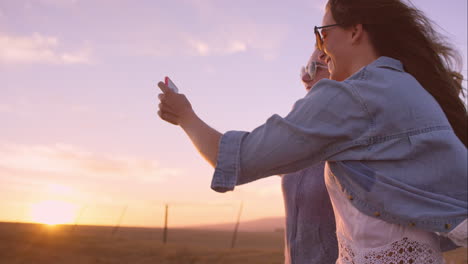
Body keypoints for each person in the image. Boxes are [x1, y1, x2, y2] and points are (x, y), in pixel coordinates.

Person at [156, 0, 467, 263]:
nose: (322, 46)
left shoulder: (349, 98)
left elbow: (236, 158)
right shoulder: (413, 91)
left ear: (355, 31)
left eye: (323, 34)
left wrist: (185, 115)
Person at [281, 48, 337, 264]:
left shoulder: (361, 134)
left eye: (315, 68)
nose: (305, 77)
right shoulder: (299, 132)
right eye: (305, 68)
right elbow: (244, 157)